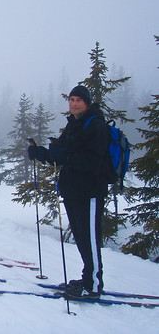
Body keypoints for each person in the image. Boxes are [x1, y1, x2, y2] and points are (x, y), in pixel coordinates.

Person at [27, 85, 109, 299]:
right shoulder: (73, 124)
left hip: (90, 190)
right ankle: (87, 278)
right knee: (81, 237)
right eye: (71, 99)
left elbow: (92, 160)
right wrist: (41, 152)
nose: (73, 103)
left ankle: (93, 286)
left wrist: (64, 155)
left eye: (78, 100)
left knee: (89, 239)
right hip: (73, 189)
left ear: (87, 103)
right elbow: (59, 156)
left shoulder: (95, 125)